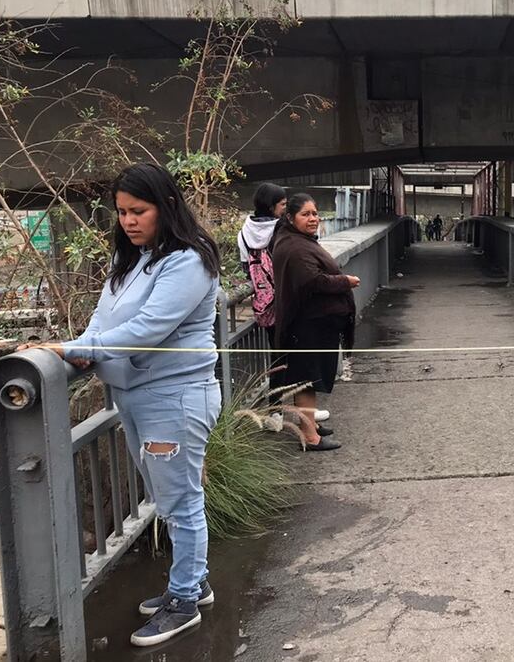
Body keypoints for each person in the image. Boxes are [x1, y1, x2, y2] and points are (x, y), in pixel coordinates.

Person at [23, 163, 223, 646]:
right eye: (122, 212)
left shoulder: (188, 260)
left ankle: (184, 602)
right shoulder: (133, 257)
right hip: (136, 397)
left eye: (139, 211)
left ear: (166, 206)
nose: (129, 221)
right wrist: (80, 345)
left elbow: (148, 329)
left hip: (174, 398)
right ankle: (193, 583)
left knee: (181, 502)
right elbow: (103, 319)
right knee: (166, 498)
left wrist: (76, 350)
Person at [272, 193, 360, 449]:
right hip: (306, 325)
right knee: (306, 379)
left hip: (312, 324)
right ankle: (310, 437)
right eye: (305, 214)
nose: (313, 219)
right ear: (291, 218)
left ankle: (309, 425)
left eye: (315, 213)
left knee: (307, 378)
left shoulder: (296, 240)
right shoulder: (295, 247)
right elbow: (313, 281)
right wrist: (345, 281)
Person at [237, 183, 329, 425]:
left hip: (266, 304)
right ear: (272, 207)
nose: (285, 209)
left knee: (278, 358)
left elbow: (246, 266)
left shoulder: (245, 231)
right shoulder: (282, 229)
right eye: (283, 205)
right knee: (301, 358)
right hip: (291, 300)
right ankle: (305, 413)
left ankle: (274, 412)